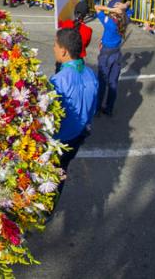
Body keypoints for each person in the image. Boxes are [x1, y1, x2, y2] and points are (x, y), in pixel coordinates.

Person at [51, 28, 98, 194]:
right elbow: (92, 109)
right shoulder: (91, 74)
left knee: (52, 174)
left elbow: (51, 115)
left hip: (60, 141)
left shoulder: (59, 80)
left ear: (64, 51)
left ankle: (48, 207)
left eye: (55, 45)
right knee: (63, 168)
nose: (53, 48)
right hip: (79, 135)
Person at [94, 0, 131, 116]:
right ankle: (109, 108)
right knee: (113, 83)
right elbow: (130, 7)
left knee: (102, 82)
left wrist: (110, 8)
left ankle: (98, 108)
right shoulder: (126, 19)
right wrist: (125, 6)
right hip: (116, 53)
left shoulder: (109, 22)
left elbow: (96, 7)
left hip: (106, 53)